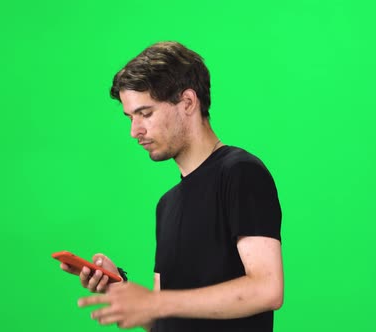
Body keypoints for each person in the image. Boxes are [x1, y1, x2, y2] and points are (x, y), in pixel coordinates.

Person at [59, 41, 284, 332]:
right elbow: (166, 321)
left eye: (146, 113)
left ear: (188, 102)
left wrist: (156, 303)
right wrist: (119, 289)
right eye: (130, 117)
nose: (134, 131)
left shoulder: (241, 172)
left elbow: (268, 288)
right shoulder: (167, 205)